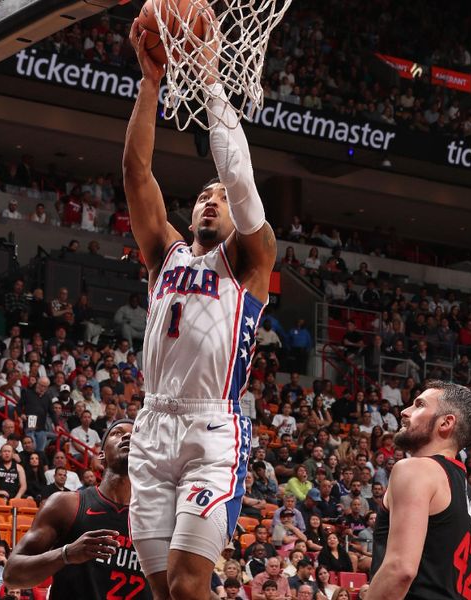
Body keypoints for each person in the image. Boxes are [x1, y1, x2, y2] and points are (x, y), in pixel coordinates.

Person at [122, 16, 276, 600]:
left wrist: (210, 75)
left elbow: (238, 175)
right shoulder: (166, 253)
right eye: (201, 197)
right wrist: (151, 83)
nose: (212, 201)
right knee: (163, 592)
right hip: (152, 423)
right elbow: (136, 172)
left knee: (190, 586)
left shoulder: (250, 261)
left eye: (220, 199)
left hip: (212, 425)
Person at [363, 381, 471, 600]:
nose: (404, 411)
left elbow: (400, 570)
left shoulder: (416, 469)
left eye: (419, 405)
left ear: (446, 423)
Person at [3, 420, 150, 599]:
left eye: (136, 435)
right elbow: (11, 575)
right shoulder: (66, 504)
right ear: (100, 455)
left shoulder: (159, 518)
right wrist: (66, 554)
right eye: (117, 433)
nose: (128, 436)